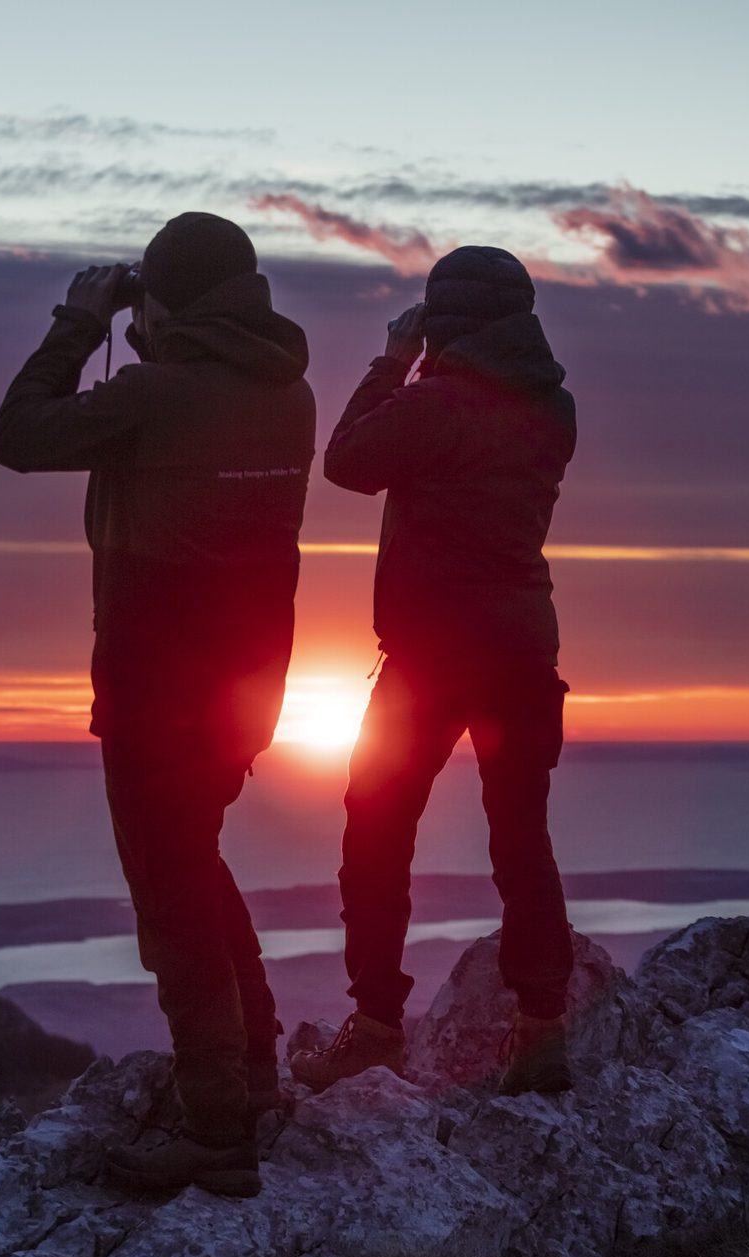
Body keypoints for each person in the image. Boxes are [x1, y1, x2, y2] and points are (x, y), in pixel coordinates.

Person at [0, 213, 315, 1197]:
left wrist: (80, 323)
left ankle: (219, 1132)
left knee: (170, 896)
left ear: (167, 298)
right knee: (195, 866)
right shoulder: (290, 391)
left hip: (156, 684)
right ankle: (253, 1078)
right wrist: (151, 329)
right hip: (249, 683)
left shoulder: (158, 392)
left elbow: (19, 437)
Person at [290, 245, 578, 1097]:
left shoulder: (439, 403)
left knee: (377, 832)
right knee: (522, 842)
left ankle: (376, 1026)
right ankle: (543, 1030)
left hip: (430, 655)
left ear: (442, 318)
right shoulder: (553, 407)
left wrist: (390, 361)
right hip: (525, 648)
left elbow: (346, 461)